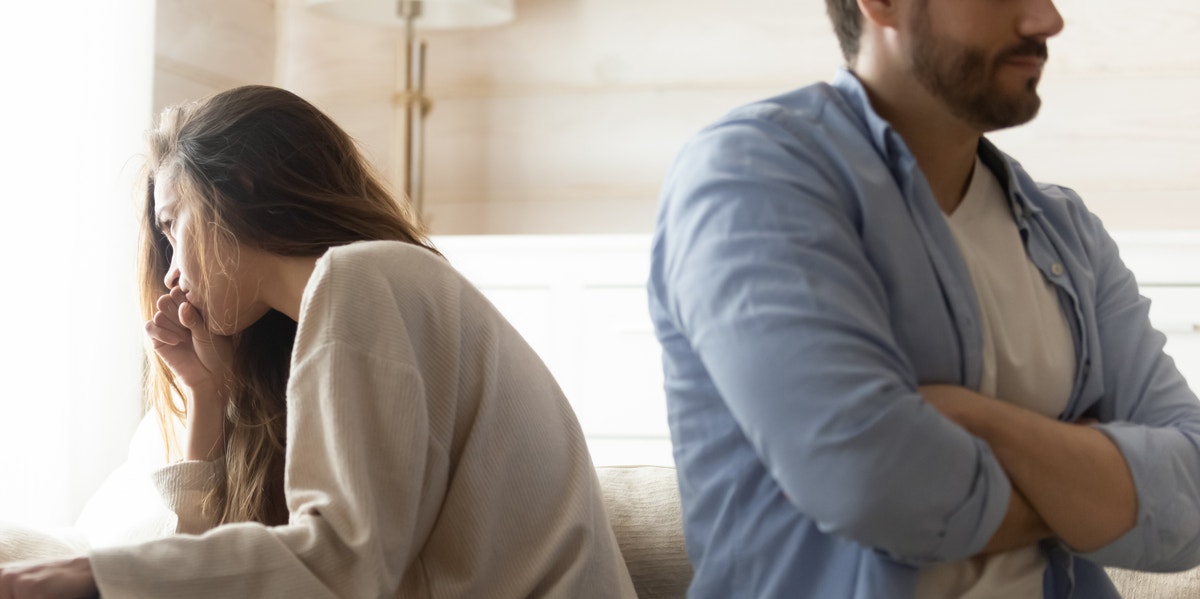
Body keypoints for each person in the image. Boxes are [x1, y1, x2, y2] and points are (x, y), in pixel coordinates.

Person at [647, 0, 1200, 597]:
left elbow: (1193, 495)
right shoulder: (750, 176)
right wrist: (1093, 488)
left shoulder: (1067, 229)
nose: (1047, 21)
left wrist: (979, 419)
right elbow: (871, 484)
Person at [0, 85, 636, 598]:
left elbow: (344, 567)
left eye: (173, 222)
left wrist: (87, 576)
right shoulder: (333, 322)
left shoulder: (366, 278)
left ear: (242, 187)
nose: (169, 271)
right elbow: (231, 571)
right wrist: (207, 397)